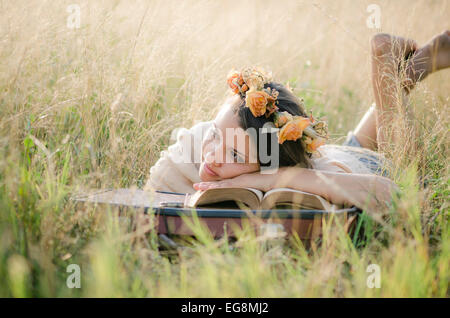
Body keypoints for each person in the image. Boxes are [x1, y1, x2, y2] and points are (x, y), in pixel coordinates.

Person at [144, 31, 449, 212]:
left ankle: (388, 70)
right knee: (352, 146)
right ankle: (413, 68)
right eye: (214, 136)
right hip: (345, 152)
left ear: (272, 164)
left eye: (235, 155)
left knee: (414, 187)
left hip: (362, 168)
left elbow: (391, 197)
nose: (212, 155)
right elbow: (153, 188)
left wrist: (265, 180)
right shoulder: (213, 138)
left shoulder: (309, 172)